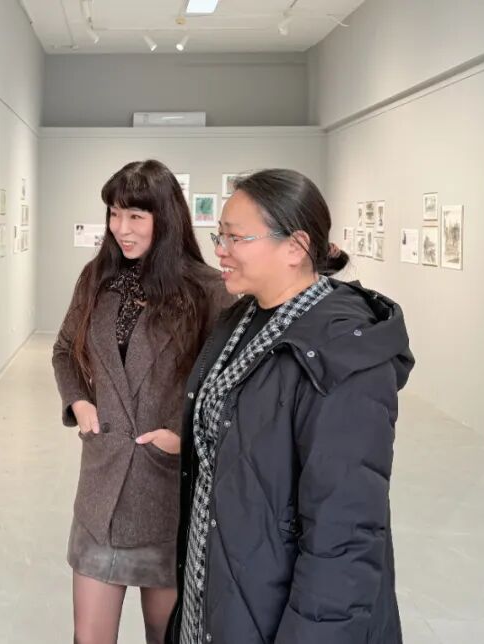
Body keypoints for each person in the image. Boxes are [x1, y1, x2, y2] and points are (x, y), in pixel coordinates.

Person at [166, 169, 414, 644]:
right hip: (224, 599)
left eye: (236, 238)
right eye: (220, 236)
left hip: (279, 616)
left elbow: (344, 536)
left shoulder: (344, 355)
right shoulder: (243, 319)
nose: (220, 250)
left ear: (296, 246)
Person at [52, 160, 235, 644]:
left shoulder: (208, 290)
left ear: (165, 218)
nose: (121, 228)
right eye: (115, 214)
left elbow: (232, 386)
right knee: (89, 637)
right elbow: (64, 350)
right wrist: (79, 402)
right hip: (101, 489)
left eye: (136, 216)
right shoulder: (97, 278)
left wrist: (185, 438)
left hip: (165, 493)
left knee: (166, 634)